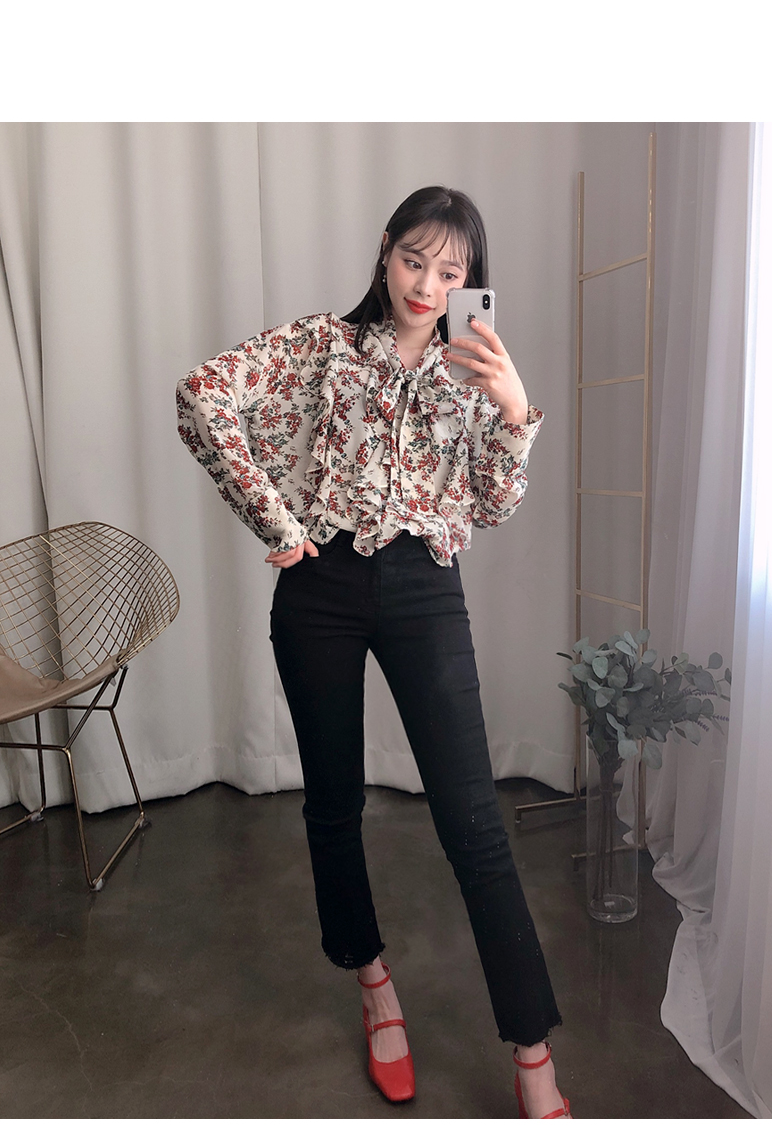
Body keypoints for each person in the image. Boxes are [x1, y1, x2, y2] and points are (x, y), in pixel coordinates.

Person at [176, 185, 571, 1119]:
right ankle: (374, 985)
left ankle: (533, 1050)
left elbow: (490, 506)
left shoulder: (474, 369)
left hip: (424, 589)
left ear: (470, 282)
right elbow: (203, 394)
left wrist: (515, 411)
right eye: (413, 261)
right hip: (321, 588)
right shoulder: (325, 344)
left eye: (450, 273)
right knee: (334, 804)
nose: (427, 286)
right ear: (385, 251)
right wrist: (273, 520)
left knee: (473, 823)